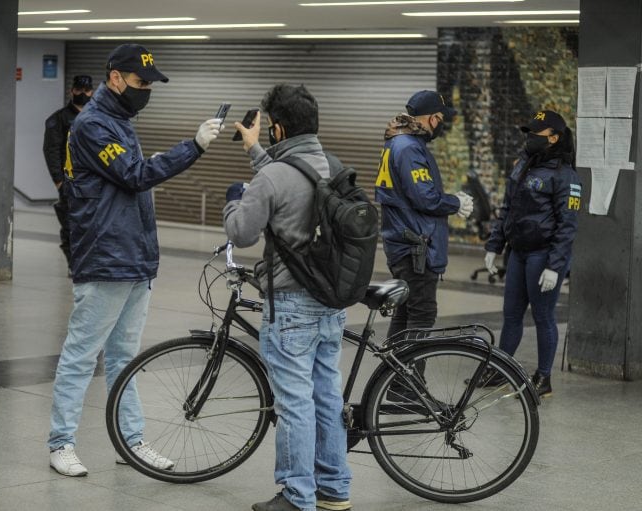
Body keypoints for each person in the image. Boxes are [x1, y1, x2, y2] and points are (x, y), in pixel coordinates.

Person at [47, 43, 223, 477]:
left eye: (150, 84)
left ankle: (131, 439)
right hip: (106, 258)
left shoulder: (121, 122)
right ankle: (61, 442)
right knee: (81, 355)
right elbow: (134, 175)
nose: (147, 90)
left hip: (134, 258)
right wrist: (193, 147)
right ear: (116, 78)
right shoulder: (93, 126)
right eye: (142, 82)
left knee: (126, 357)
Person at [223, 84, 352, 511]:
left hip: (292, 306)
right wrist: (255, 149)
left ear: (277, 128)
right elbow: (291, 181)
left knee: (295, 402)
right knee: (326, 397)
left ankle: (298, 497)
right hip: (331, 302)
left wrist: (233, 202)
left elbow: (242, 231)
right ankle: (334, 490)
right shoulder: (334, 167)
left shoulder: (272, 178)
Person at [483, 110, 581, 397]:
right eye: (528, 134)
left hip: (544, 255)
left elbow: (568, 226)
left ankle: (544, 378)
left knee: (543, 316)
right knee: (511, 314)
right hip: (518, 252)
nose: (529, 139)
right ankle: (500, 370)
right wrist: (494, 245)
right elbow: (507, 208)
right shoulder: (523, 165)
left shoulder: (566, 176)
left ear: (553, 138)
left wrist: (556, 266)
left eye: (535, 135)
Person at [375, 90, 474, 340]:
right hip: (414, 247)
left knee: (405, 314)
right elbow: (425, 197)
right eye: (441, 118)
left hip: (404, 241)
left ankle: (395, 378)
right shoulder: (408, 147)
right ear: (431, 119)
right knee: (421, 315)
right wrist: (455, 202)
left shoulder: (398, 142)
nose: (441, 124)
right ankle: (407, 378)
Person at [43, 74, 94, 269]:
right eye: (79, 90)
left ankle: (89, 263)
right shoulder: (59, 119)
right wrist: (59, 181)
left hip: (92, 182)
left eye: (86, 91)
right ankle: (74, 265)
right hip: (69, 181)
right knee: (71, 226)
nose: (83, 94)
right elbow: (51, 149)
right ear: (71, 91)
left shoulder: (96, 117)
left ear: (92, 92)